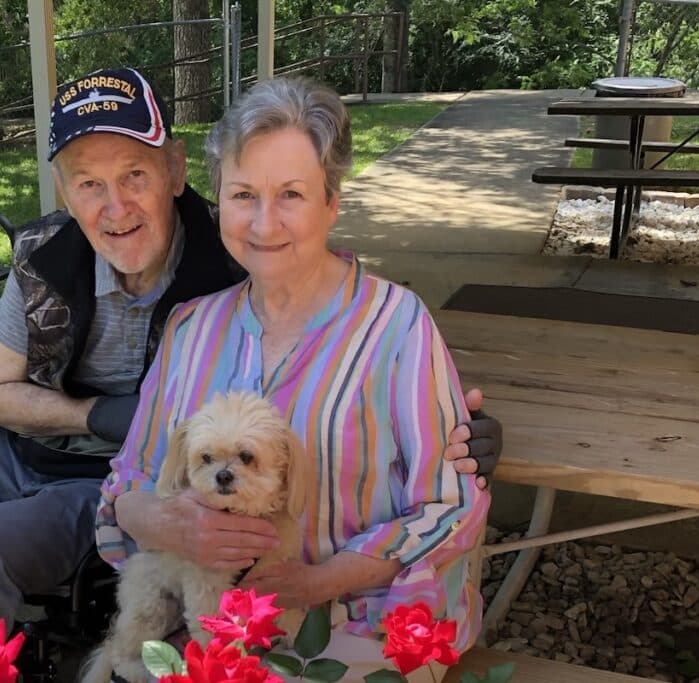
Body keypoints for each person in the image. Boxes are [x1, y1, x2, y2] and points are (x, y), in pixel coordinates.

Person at [0, 68, 498, 683]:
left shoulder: (257, 275)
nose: (114, 205)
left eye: (134, 172)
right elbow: (55, 435)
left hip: (245, 564)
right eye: (87, 182)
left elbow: (425, 464)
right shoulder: (122, 288)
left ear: (175, 173)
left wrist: (463, 434)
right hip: (41, 466)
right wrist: (116, 456)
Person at [96, 76, 490, 682]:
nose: (263, 223)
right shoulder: (190, 328)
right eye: (244, 194)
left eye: (292, 196)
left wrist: (314, 582)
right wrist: (167, 522)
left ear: (332, 202)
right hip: (211, 615)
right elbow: (127, 480)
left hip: (358, 619)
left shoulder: (396, 326)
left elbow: (448, 503)